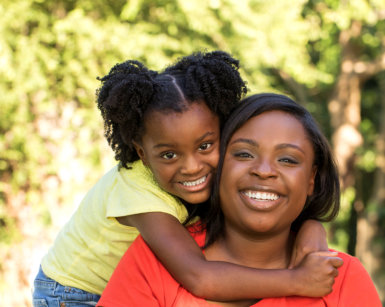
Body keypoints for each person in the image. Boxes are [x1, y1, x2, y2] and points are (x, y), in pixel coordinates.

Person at [33, 51, 331, 307]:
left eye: (204, 146)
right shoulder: (141, 195)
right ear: (142, 154)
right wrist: (296, 280)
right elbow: (199, 277)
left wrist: (310, 226)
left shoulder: (215, 174)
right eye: (169, 155)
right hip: (73, 293)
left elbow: (271, 203)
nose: (192, 167)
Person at [97, 93, 381, 307]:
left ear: (311, 180)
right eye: (244, 154)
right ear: (217, 165)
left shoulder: (341, 280)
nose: (264, 170)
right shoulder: (157, 260)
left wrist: (312, 226)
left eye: (287, 159)